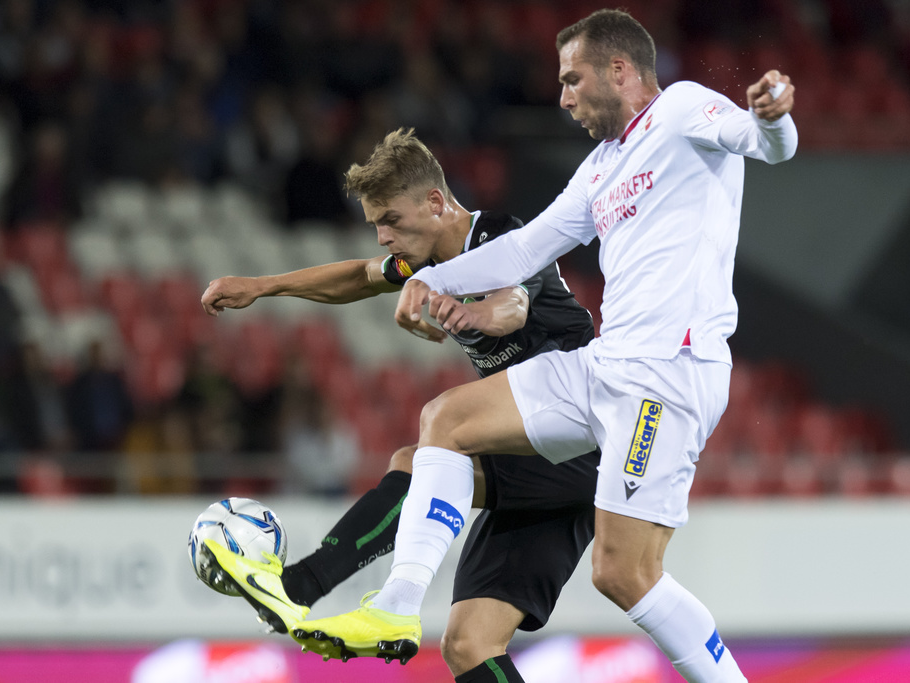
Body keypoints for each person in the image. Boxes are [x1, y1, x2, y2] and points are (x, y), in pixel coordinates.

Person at [294, 10, 797, 683]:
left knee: (625, 573)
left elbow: (765, 143)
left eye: (572, 79)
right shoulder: (601, 168)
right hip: (605, 363)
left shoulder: (681, 111)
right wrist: (431, 280)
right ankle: (394, 605)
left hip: (667, 376)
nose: (562, 97)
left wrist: (773, 116)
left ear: (620, 71)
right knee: (446, 420)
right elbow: (528, 247)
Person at [198, 128, 601, 682]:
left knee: (422, 458)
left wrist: (483, 315)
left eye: (392, 220)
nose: (384, 236)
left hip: (582, 438)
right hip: (539, 466)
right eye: (376, 225)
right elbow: (358, 277)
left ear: (436, 203)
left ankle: (300, 587)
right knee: (469, 644)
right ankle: (321, 593)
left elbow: (514, 300)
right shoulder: (425, 259)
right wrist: (263, 287)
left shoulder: (503, 239)